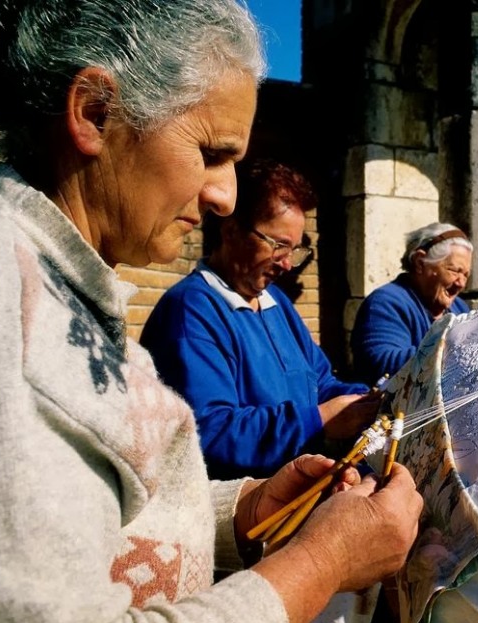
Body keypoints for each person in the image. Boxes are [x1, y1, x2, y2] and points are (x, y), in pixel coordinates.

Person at [0, 1, 423, 623]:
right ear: (95, 113)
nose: (223, 196)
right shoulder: (1, 322)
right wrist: (321, 564)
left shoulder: (61, 298)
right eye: (210, 152)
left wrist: (245, 510)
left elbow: (113, 519)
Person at [140, 158, 380, 480]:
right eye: (278, 246)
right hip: (244, 510)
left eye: (295, 249)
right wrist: (319, 420)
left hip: (295, 485)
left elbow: (319, 382)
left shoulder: (273, 301)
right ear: (232, 230)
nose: (287, 265)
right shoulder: (190, 312)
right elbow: (210, 433)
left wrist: (369, 399)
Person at [350, 222, 473, 385]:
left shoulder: (459, 307)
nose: (461, 283)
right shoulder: (385, 303)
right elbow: (383, 364)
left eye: (465, 275)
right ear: (420, 263)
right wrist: (457, 350)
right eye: (454, 271)